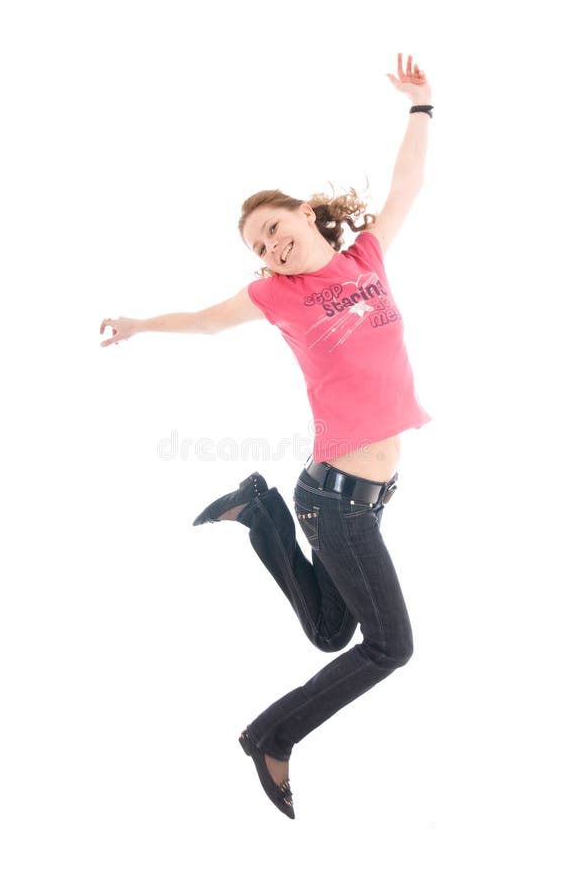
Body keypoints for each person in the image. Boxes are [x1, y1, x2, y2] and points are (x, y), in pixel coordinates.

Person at [100, 53, 433, 820]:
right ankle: (269, 736)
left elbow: (407, 185)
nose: (269, 247)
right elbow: (206, 322)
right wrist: (139, 324)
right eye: (258, 244)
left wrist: (422, 108)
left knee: (328, 633)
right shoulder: (275, 295)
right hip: (337, 502)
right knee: (390, 648)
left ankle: (259, 510)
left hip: (366, 498)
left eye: (275, 230)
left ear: (307, 217)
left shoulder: (367, 257)